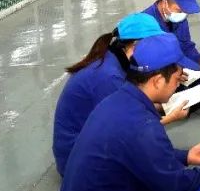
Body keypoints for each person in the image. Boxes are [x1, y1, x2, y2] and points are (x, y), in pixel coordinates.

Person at [56, 35, 200, 191]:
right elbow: (175, 186)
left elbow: (139, 154)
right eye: (177, 78)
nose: (178, 84)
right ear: (158, 81)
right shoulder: (143, 126)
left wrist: (186, 156)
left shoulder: (116, 101)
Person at [52, 13, 187, 176]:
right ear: (135, 46)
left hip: (84, 146)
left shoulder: (112, 59)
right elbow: (127, 128)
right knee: (155, 169)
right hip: (77, 160)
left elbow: (135, 100)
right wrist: (170, 117)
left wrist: (169, 80)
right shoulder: (109, 77)